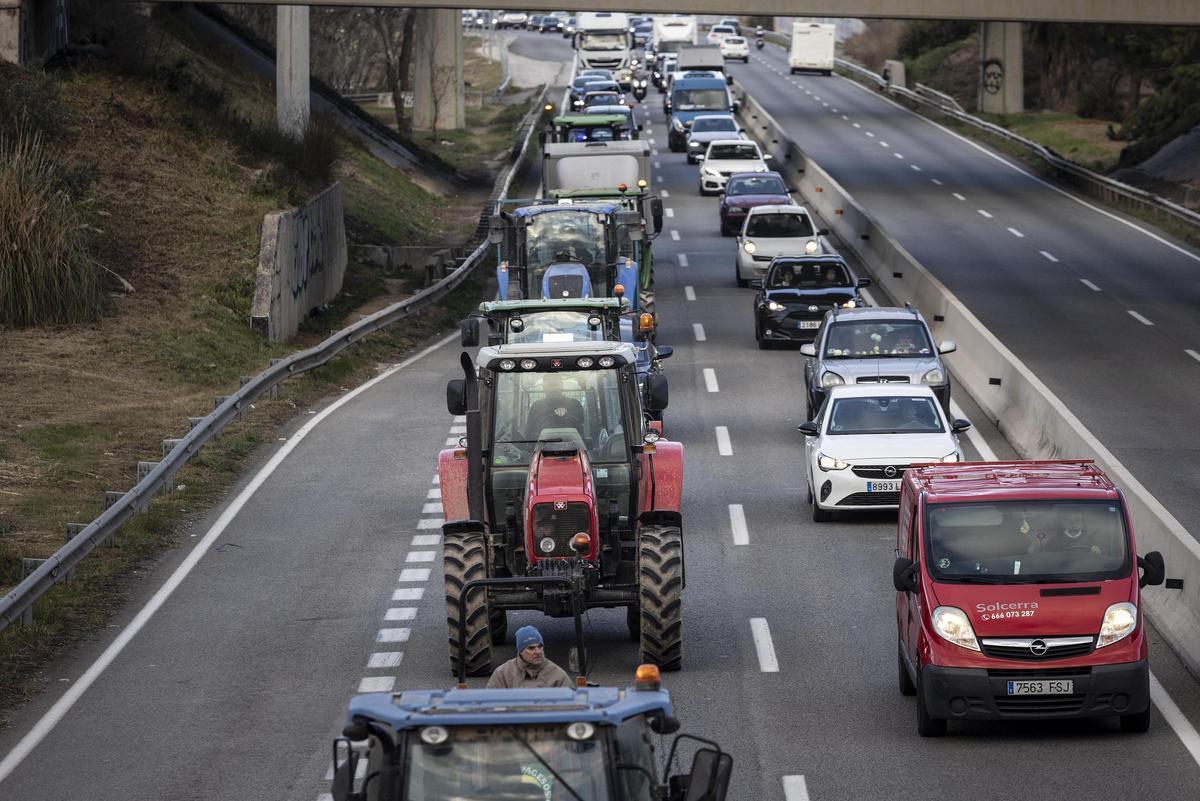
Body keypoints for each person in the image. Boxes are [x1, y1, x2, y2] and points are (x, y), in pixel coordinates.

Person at [487, 626, 574, 689]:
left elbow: (574, 706)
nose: (538, 652)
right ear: (520, 651)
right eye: (531, 648)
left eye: (540, 646)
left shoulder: (558, 675)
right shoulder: (503, 674)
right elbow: (488, 705)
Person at [525, 374, 586, 438]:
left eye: (555, 384)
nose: (553, 388)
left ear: (562, 386)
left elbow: (581, 429)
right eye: (550, 385)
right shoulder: (536, 407)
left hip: (574, 445)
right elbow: (529, 432)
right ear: (544, 387)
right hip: (542, 445)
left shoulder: (575, 405)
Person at [1028, 509, 1104, 555]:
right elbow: (1047, 563)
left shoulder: (1093, 543)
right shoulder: (1053, 543)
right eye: (1068, 521)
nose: (1074, 524)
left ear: (1083, 522)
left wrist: (1097, 553)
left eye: (1078, 520)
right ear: (1061, 522)